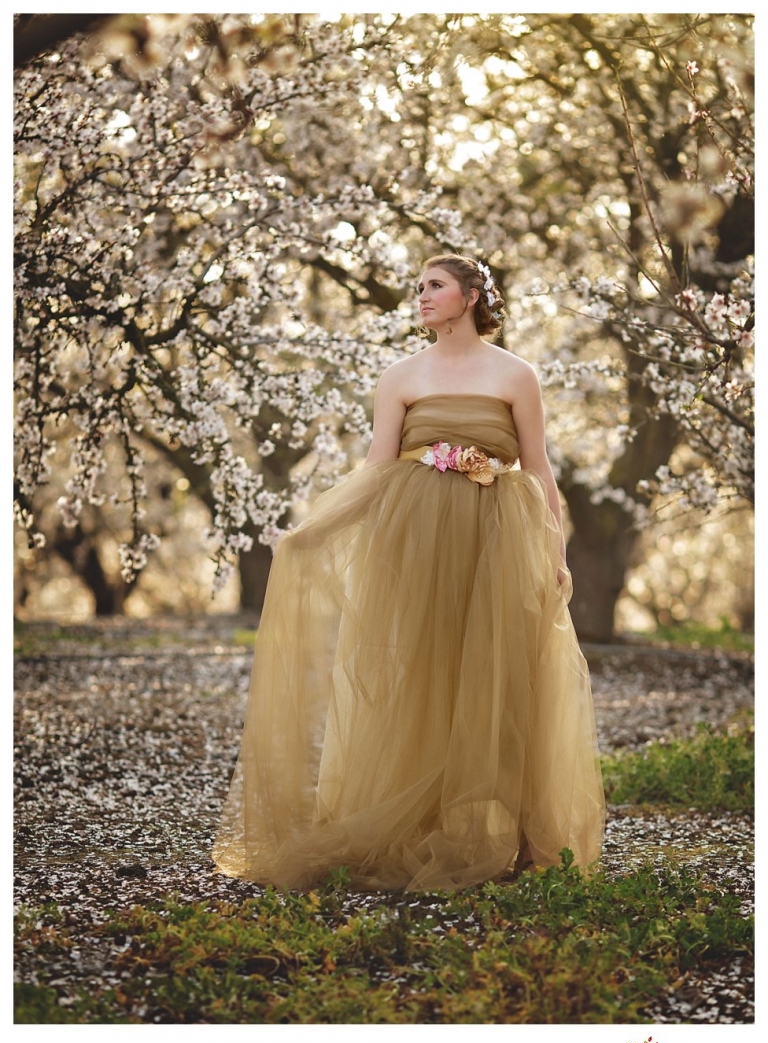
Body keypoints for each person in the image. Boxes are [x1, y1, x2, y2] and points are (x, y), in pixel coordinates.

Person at [212, 253, 604, 892]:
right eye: (418, 287)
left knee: (501, 676)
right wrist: (315, 530)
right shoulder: (400, 376)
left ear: (472, 295)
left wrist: (555, 556)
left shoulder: (516, 375)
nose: (420, 296)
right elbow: (376, 470)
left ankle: (516, 833)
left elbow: (537, 470)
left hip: (496, 544)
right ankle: (417, 827)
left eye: (434, 286)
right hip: (415, 546)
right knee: (423, 676)